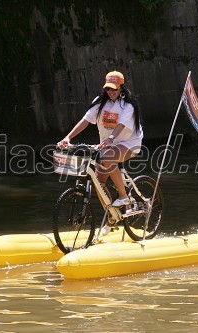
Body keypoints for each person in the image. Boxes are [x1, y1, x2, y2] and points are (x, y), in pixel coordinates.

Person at [57, 71, 143, 233]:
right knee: (98, 181)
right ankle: (112, 217)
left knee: (107, 156)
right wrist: (67, 138)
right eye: (109, 89)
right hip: (107, 145)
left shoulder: (128, 105)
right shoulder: (100, 102)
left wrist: (110, 138)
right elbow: (85, 121)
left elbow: (121, 125)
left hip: (129, 143)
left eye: (114, 90)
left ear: (121, 89)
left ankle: (124, 196)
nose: (111, 92)